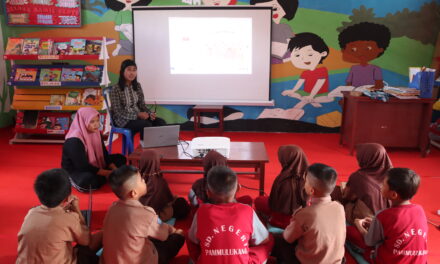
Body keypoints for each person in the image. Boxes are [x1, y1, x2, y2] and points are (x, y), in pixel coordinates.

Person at [187, 166, 273, 263]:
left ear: (208, 193)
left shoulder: (201, 211)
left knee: (189, 237)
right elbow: (264, 240)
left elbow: (193, 239)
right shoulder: (247, 210)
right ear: (238, 189)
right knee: (270, 238)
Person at [102, 165, 184, 264]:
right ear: (133, 193)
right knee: (178, 236)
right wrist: (173, 230)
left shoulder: (112, 208)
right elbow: (163, 235)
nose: (144, 180)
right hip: (140, 259)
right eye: (141, 179)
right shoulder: (145, 213)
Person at [17, 169, 102, 264]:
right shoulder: (69, 218)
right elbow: (87, 241)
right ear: (67, 197)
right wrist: (76, 209)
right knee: (102, 234)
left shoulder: (31, 213)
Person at [273, 163, 346, 264]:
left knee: (278, 239)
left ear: (311, 190)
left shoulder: (304, 214)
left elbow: (288, 238)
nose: (304, 183)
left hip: (308, 261)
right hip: (337, 261)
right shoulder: (340, 208)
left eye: (306, 181)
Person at [353, 168, 428, 263]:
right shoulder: (420, 210)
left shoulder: (383, 215)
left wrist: (358, 225)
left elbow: (369, 241)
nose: (381, 186)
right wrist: (375, 225)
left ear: (393, 195)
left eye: (383, 184)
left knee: (350, 232)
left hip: (390, 261)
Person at [62, 107, 126, 192]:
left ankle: (103, 177)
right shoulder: (74, 140)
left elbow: (104, 154)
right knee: (88, 181)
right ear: (83, 121)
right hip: (77, 169)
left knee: (121, 158)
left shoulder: (95, 132)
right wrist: (109, 173)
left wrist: (114, 169)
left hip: (94, 162)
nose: (97, 125)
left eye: (97, 120)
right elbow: (82, 166)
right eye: (92, 122)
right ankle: (72, 179)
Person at [109, 59, 166, 140]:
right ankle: (146, 150)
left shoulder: (137, 86)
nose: (132, 73)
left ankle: (158, 147)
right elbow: (118, 112)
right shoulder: (116, 89)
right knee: (146, 125)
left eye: (134, 70)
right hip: (123, 120)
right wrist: (138, 115)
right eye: (129, 70)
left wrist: (150, 113)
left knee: (161, 122)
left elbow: (142, 105)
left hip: (138, 116)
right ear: (122, 71)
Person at [254, 145, 308, 229]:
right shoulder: (311, 177)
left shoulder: (282, 180)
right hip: (303, 219)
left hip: (282, 221)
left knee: (258, 200)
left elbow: (273, 205)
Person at [282, 32, 334, 110]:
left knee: (329, 98)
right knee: (291, 93)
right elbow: (299, 84)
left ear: (323, 53)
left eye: (310, 54)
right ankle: (310, 100)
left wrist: (311, 96)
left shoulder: (322, 70)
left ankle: (310, 100)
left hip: (320, 94)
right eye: (297, 55)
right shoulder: (305, 73)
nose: (303, 59)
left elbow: (318, 85)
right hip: (306, 93)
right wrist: (292, 91)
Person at [343, 143, 392, 224]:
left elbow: (347, 197)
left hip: (366, 220)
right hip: (389, 218)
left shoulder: (359, 177)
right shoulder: (393, 174)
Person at [188, 150, 253, 207]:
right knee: (247, 199)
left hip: (207, 210)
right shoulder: (230, 181)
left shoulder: (198, 184)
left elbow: (193, 200)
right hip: (231, 208)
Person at [138, 150, 190, 221]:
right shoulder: (160, 181)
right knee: (180, 204)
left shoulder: (135, 179)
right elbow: (166, 199)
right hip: (154, 215)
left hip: (136, 212)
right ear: (157, 162)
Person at [338, 22, 391, 89]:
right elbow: (348, 83)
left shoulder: (375, 69)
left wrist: (371, 91)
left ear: (380, 49)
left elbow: (379, 85)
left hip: (370, 95)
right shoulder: (353, 68)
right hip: (355, 94)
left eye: (368, 48)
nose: (361, 53)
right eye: (353, 49)